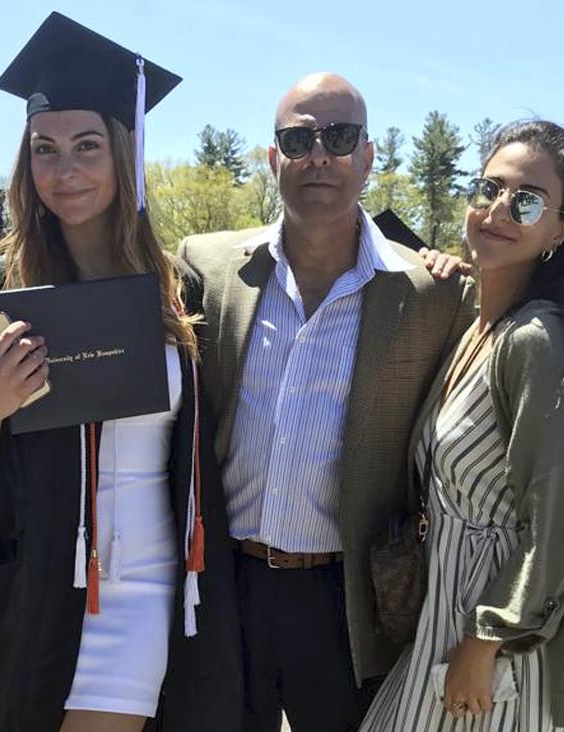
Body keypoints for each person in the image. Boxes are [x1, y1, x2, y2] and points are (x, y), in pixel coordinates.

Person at [0, 13, 241, 732]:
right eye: (45, 150)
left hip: (152, 586)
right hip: (46, 585)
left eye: (87, 147)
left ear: (124, 155)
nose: (66, 171)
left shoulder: (176, 294)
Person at [178, 72, 474, 731]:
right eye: (298, 138)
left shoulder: (431, 293)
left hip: (346, 603)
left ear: (367, 157)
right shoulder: (206, 268)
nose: (318, 155)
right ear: (272, 157)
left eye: (338, 138)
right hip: (230, 588)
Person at [360, 120, 564, 730]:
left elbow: (562, 517)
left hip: (498, 640)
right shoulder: (481, 322)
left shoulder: (538, 339)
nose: (500, 209)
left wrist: (485, 642)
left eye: (526, 200)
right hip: (442, 615)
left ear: (561, 230)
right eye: (488, 189)